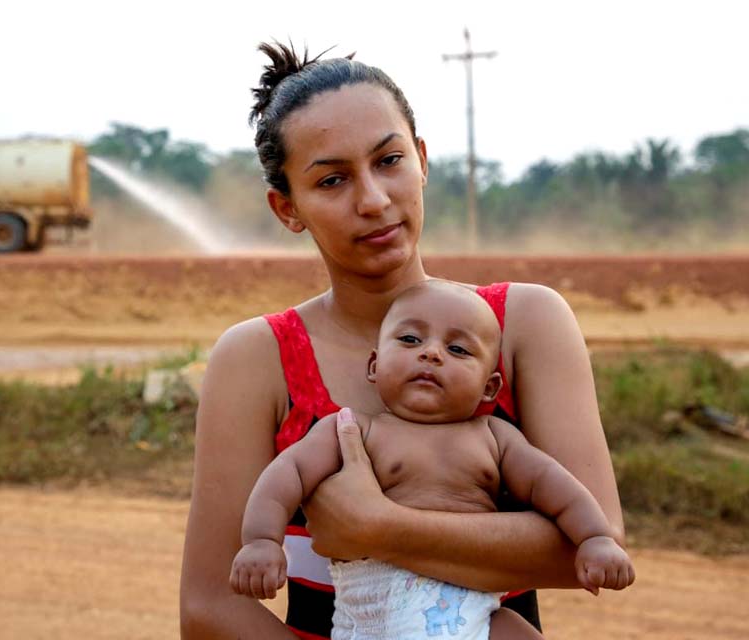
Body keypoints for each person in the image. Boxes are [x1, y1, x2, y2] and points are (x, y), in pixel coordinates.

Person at [180, 42, 627, 639]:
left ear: (421, 158)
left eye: (388, 160)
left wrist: (375, 526)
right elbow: (209, 608)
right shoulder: (257, 358)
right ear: (287, 208)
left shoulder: (523, 323)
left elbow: (592, 544)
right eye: (332, 179)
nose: (373, 199)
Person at [229, 280, 634, 639]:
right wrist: (262, 541)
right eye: (409, 340)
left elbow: (558, 489)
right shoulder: (352, 431)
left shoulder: (496, 439)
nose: (431, 354)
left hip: (475, 614)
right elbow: (287, 475)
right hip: (375, 617)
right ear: (374, 365)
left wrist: (595, 537)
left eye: (457, 349)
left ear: (490, 387)